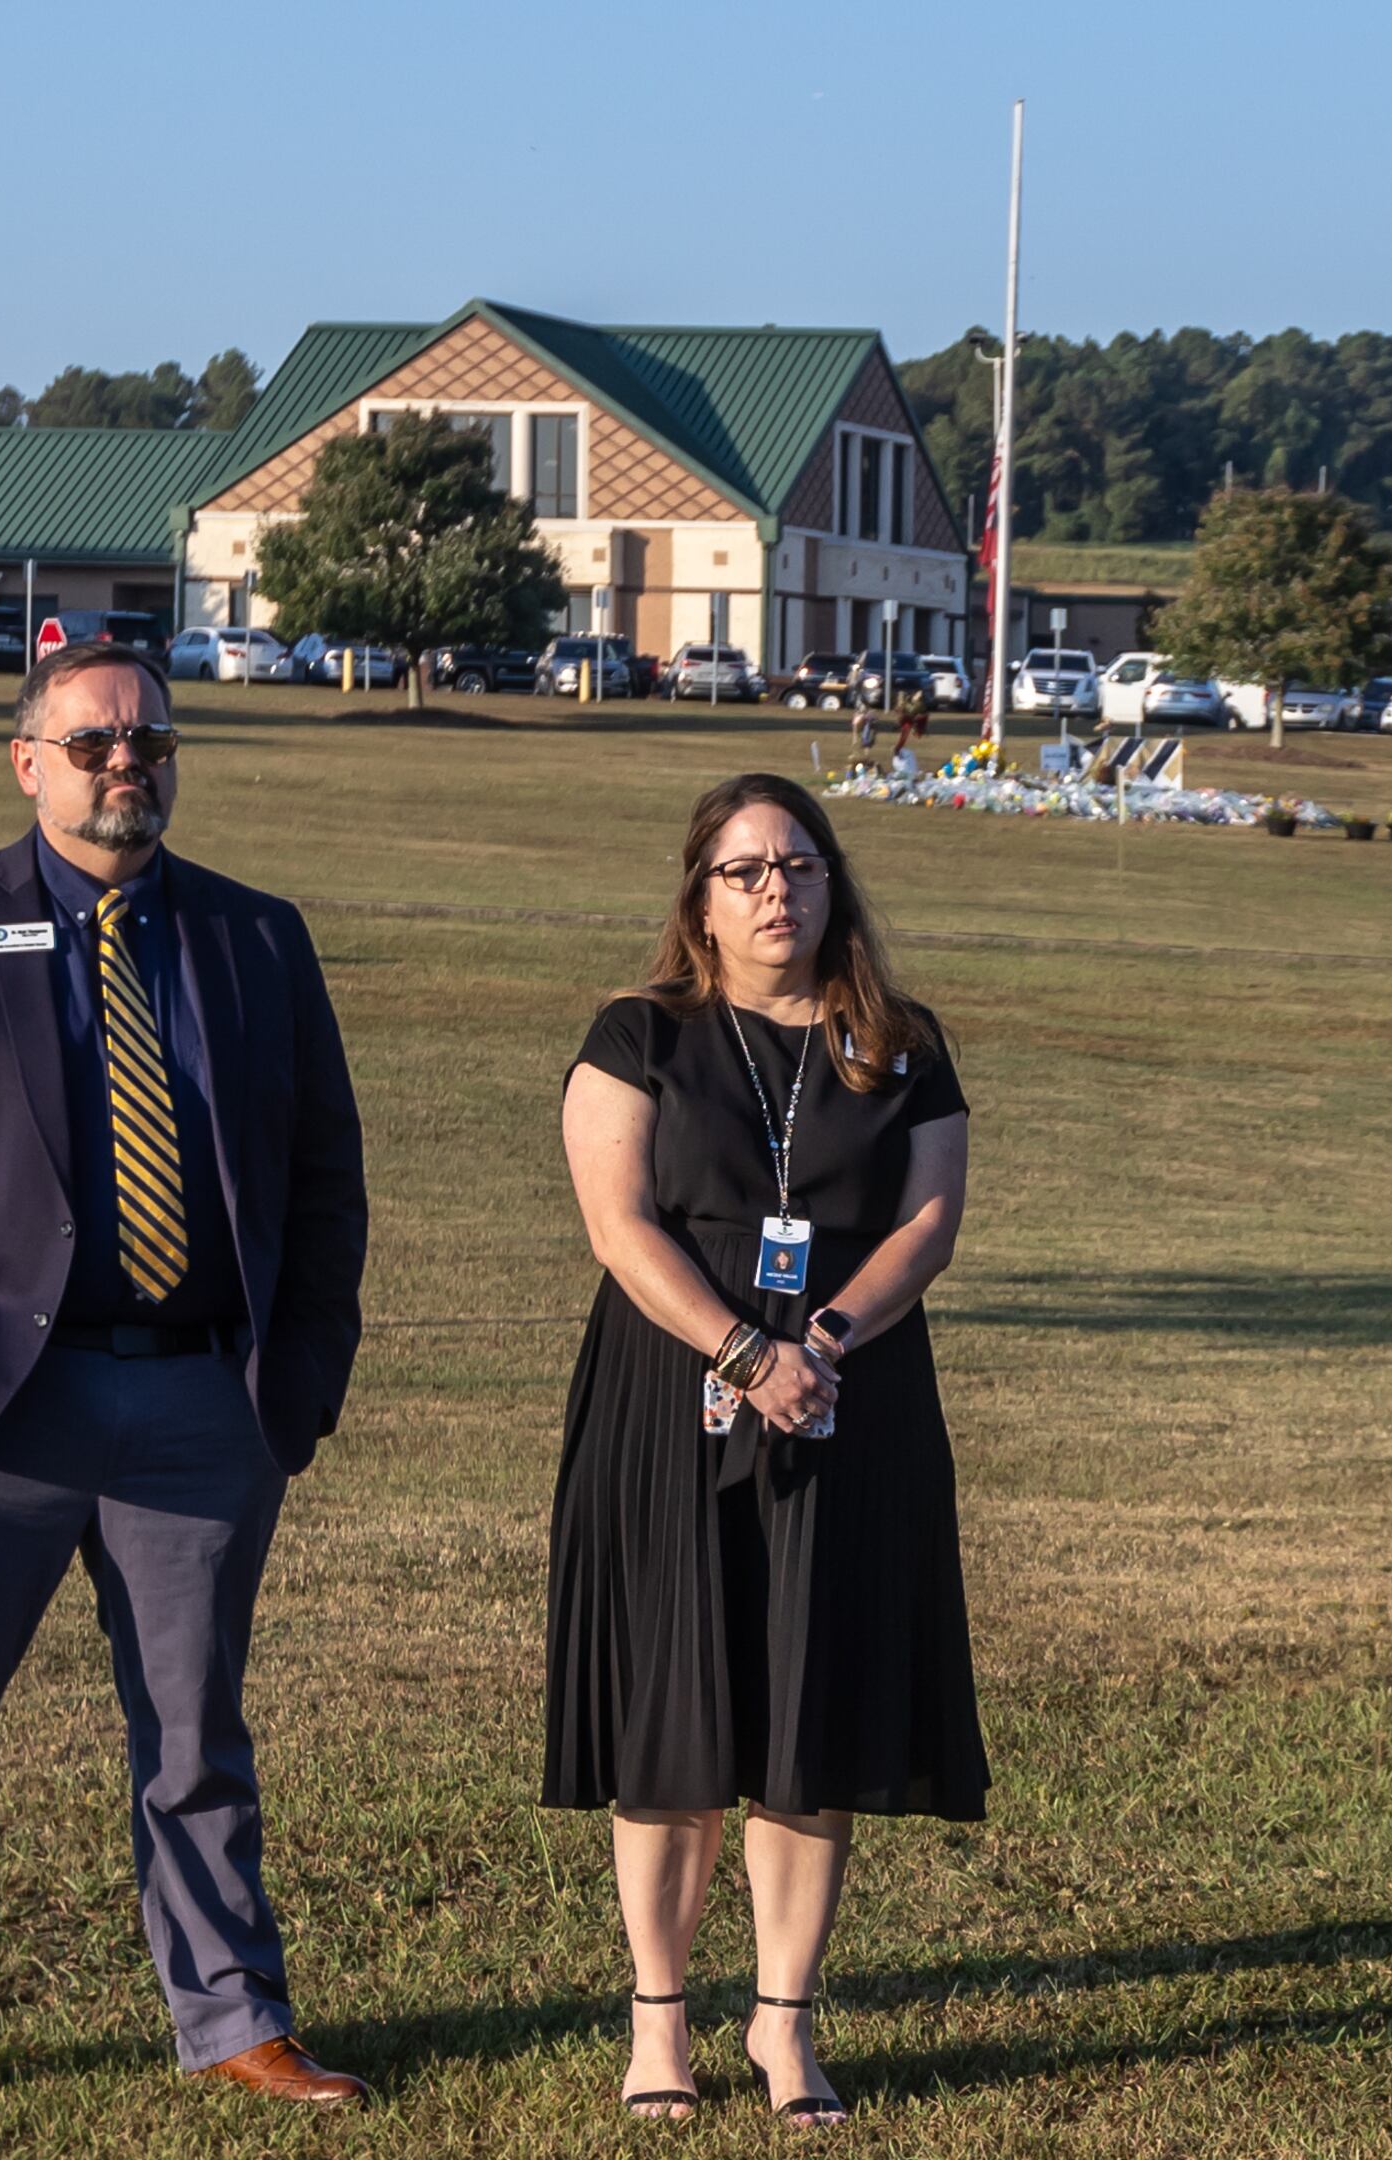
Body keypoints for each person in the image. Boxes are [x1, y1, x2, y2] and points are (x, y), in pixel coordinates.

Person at [0, 640, 372, 2124]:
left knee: (195, 1742)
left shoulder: (255, 940)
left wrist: (291, 1391)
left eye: (152, 742)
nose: (129, 763)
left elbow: (324, 1181)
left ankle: (235, 2016)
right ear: (28, 758)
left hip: (194, 1413)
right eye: (98, 740)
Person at [546, 773, 987, 2128]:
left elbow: (928, 1223)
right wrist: (746, 1353)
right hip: (669, 1397)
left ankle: (785, 2026)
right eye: (743, 871)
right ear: (699, 896)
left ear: (832, 881)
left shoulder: (900, 1045)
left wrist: (827, 1342)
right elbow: (621, 1228)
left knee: (810, 1711)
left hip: (853, 1400)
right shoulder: (639, 1036)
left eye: (797, 865)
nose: (775, 891)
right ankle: (659, 2025)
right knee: (675, 1716)